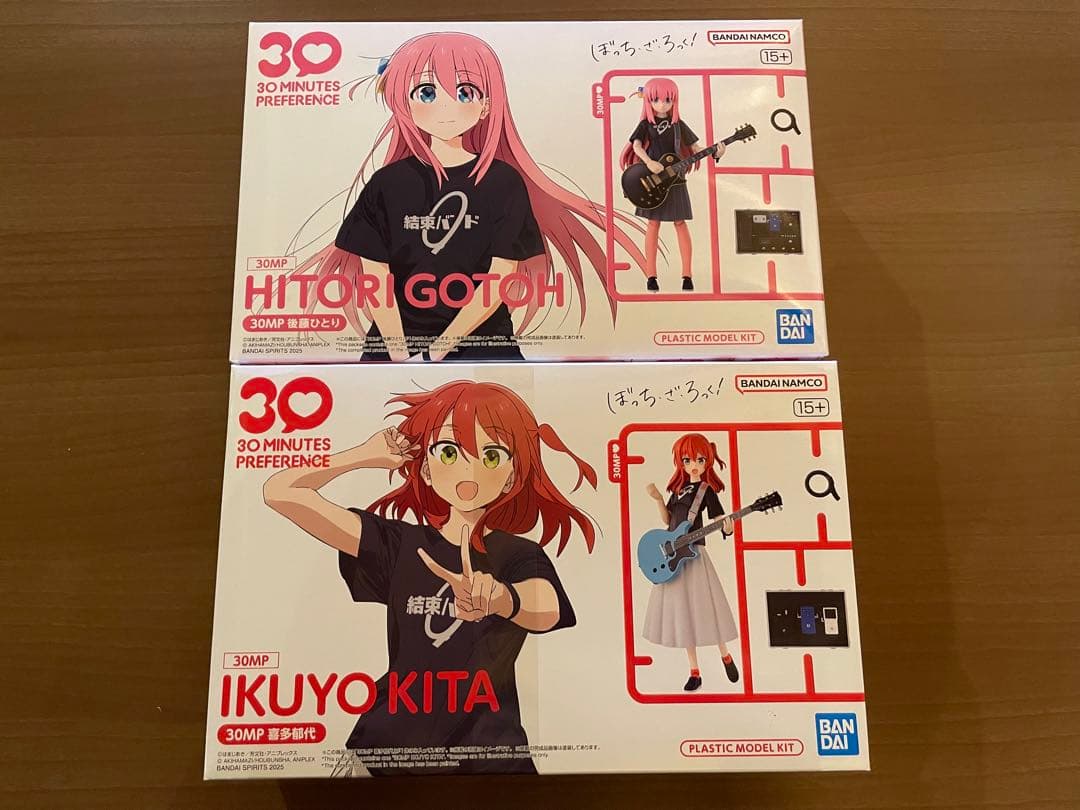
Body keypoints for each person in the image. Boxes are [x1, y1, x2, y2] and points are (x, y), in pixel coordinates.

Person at [263, 379, 597, 773]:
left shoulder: (518, 553)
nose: (469, 469)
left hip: (489, 758)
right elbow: (280, 491)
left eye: (491, 456)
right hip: (385, 756)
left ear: (511, 477)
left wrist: (500, 599)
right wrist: (362, 456)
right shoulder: (398, 543)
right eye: (449, 451)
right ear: (424, 467)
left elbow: (547, 607)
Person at [292, 31, 645, 360]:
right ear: (402, 102)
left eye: (464, 92)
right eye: (427, 93)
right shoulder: (387, 183)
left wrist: (435, 352)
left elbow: (500, 275)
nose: (446, 108)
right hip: (394, 345)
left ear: (487, 105)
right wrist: (400, 354)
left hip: (483, 344)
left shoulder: (503, 182)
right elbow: (376, 277)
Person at [642, 433, 740, 691]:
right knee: (683, 612)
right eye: (687, 460)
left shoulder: (706, 491)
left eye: (699, 459)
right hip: (674, 556)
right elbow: (668, 521)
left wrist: (727, 527)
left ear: (707, 461)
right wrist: (658, 500)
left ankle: (725, 654)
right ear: (680, 462)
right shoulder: (677, 491)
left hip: (694, 554)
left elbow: (720, 520)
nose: (693, 465)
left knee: (706, 606)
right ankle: (694, 671)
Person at [620, 78, 724, 292]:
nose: (662, 104)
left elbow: (695, 148)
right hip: (652, 178)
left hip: (675, 180)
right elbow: (636, 146)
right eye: (656, 100)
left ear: (674, 100)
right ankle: (651, 276)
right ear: (648, 100)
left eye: (667, 100)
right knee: (653, 224)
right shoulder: (645, 125)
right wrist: (649, 162)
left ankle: (687, 275)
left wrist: (716, 152)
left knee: (680, 223)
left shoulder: (678, 126)